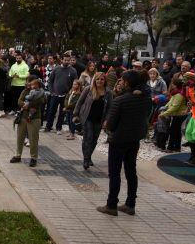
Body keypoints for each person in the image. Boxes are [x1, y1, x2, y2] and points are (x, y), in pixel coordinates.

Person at [97, 70, 152, 216]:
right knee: (131, 171)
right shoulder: (146, 98)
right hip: (134, 139)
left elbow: (111, 125)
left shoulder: (120, 100)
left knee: (114, 172)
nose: (120, 82)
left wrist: (107, 125)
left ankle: (111, 205)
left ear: (127, 83)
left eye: (123, 80)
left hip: (119, 139)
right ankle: (130, 204)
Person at [74, 72, 112, 169]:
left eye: (102, 79)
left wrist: (106, 120)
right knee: (88, 137)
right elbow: (80, 102)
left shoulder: (108, 93)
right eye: (97, 79)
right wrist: (76, 114)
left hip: (99, 119)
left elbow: (109, 108)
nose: (99, 81)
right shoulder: (88, 89)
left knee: (94, 140)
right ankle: (86, 159)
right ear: (94, 80)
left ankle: (88, 156)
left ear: (105, 81)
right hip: (87, 117)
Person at [9, 76, 46, 167]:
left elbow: (41, 101)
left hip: (34, 118)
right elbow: (19, 101)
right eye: (28, 82)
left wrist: (28, 105)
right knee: (20, 137)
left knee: (33, 139)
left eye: (31, 83)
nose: (29, 84)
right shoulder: (25, 91)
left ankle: (33, 158)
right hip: (23, 117)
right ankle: (18, 155)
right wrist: (25, 105)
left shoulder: (41, 92)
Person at [44, 54, 77, 134]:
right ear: (61, 60)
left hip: (65, 96)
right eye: (65, 60)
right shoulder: (56, 69)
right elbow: (50, 81)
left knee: (62, 113)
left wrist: (70, 93)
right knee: (51, 111)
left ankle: (59, 128)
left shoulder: (73, 70)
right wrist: (51, 91)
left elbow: (75, 83)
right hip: (54, 94)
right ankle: (48, 126)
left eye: (68, 60)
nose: (67, 62)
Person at [157, 79, 188, 152]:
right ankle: (177, 147)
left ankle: (170, 148)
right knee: (176, 131)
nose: (171, 85)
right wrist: (164, 108)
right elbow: (170, 102)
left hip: (180, 115)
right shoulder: (176, 93)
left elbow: (175, 107)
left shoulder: (179, 94)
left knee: (173, 131)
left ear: (175, 85)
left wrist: (163, 114)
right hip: (177, 114)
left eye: (172, 84)